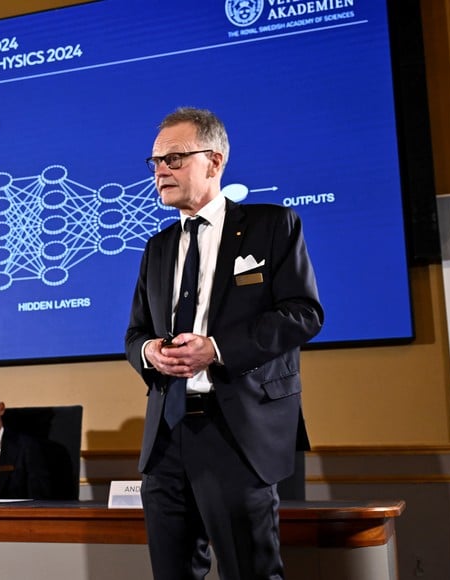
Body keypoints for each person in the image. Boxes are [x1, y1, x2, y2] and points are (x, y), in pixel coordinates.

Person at [125, 107, 324, 580]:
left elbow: (304, 313)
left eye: (173, 158)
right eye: (154, 162)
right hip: (166, 436)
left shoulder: (271, 226)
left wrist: (216, 348)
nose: (160, 171)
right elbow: (135, 334)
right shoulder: (157, 248)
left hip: (238, 433)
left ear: (213, 162)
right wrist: (150, 353)